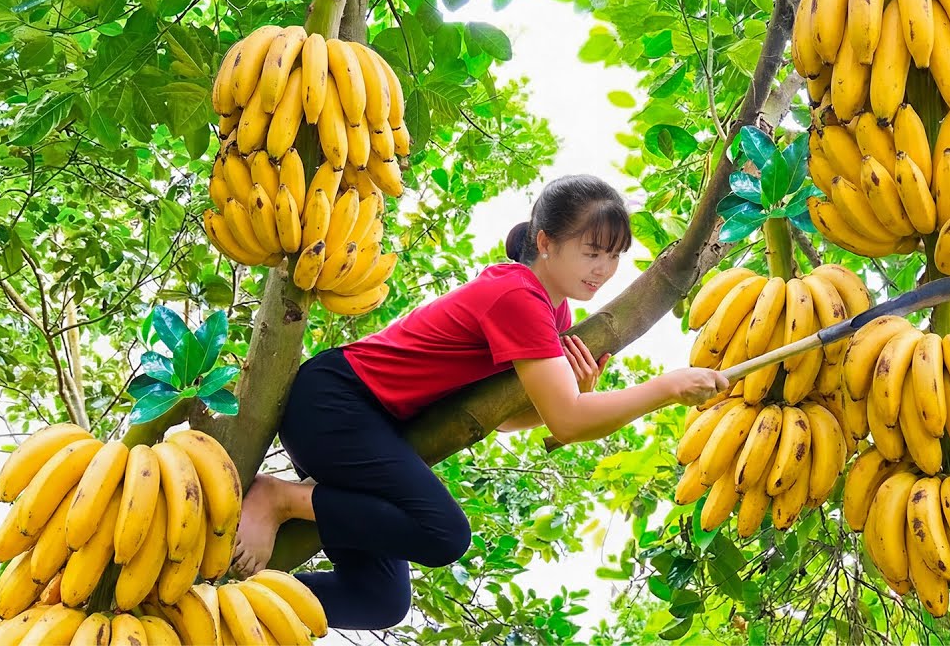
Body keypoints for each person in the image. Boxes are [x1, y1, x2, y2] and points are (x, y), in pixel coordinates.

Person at [231, 174, 729, 630]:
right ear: (546, 243)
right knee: (442, 534)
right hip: (336, 404)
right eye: (592, 252)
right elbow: (569, 423)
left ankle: (242, 603)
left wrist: (575, 394)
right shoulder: (518, 296)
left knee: (378, 600)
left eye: (614, 255)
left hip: (372, 425)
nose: (604, 269)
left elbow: (506, 419)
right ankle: (281, 499)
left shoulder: (551, 312)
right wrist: (666, 388)